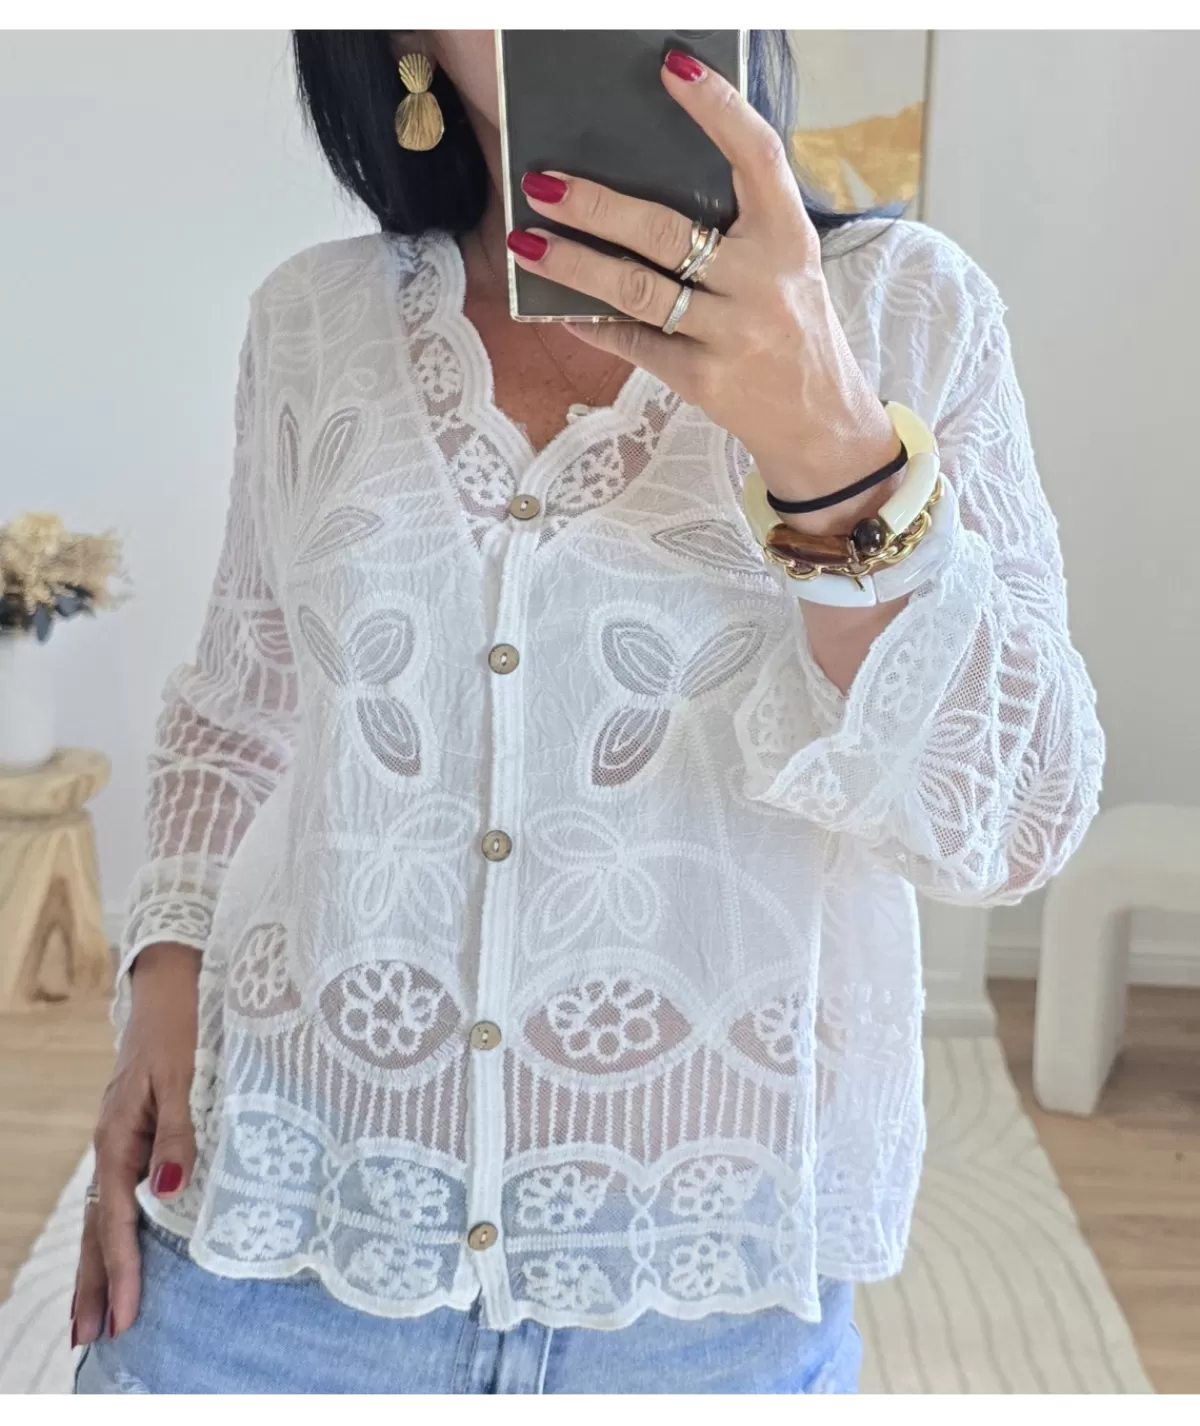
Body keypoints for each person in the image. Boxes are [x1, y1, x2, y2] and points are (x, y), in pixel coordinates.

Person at [72, 29, 1104, 1394]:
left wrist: (836, 455)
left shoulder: (907, 311)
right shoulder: (312, 321)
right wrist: (160, 993)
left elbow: (1015, 823)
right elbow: (236, 706)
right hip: (280, 1250)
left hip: (700, 1303)